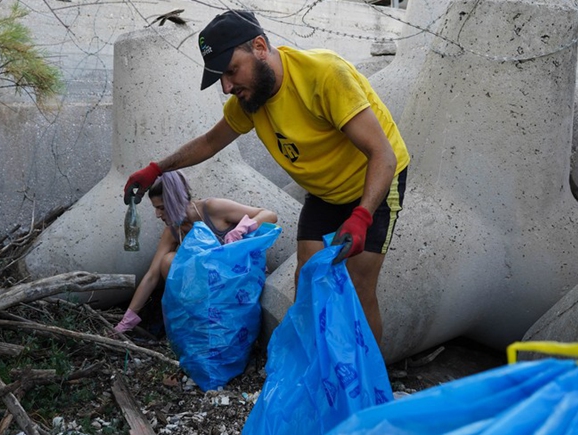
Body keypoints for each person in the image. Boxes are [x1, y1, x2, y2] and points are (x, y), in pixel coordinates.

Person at [123, 10, 409, 345]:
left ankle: (371, 387)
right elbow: (210, 142)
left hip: (372, 181)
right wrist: (158, 168)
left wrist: (362, 214)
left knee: (359, 287)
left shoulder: (324, 74)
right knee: (306, 282)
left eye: (231, 71)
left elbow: (383, 155)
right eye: (221, 78)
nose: (227, 86)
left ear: (260, 47)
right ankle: (319, 367)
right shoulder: (250, 101)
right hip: (323, 192)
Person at [115, 170, 277, 333]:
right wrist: (128, 319)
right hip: (207, 294)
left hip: (238, 280)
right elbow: (152, 276)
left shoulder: (212, 208)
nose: (158, 215)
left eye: (162, 208)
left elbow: (269, 215)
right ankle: (195, 324)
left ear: (174, 201)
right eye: (156, 209)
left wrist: (242, 229)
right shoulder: (172, 230)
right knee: (168, 261)